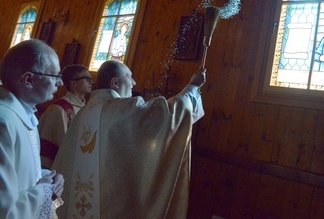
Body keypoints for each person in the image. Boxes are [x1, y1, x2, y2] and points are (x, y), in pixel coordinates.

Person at [53, 59, 206, 218]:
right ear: (115, 83)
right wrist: (192, 88)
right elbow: (167, 116)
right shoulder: (120, 109)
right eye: (129, 76)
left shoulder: (84, 112)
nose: (133, 82)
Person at [0, 39, 65, 218]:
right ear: (28, 79)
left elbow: (19, 175)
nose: (59, 84)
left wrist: (47, 178)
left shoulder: (25, 113)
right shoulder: (4, 121)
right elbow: (5, 212)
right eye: (55, 76)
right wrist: (44, 190)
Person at [39, 64, 94, 169]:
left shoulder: (87, 108)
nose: (91, 81)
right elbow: (48, 148)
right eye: (87, 79)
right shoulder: (59, 109)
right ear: (74, 83)